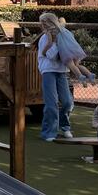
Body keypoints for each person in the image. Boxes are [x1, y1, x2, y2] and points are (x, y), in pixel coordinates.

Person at [37, 12, 74, 141]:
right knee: (51, 103)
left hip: (61, 71)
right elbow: (51, 56)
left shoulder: (62, 34)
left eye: (43, 23)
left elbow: (70, 51)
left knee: (67, 102)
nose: (41, 25)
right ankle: (49, 132)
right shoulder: (44, 39)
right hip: (48, 71)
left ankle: (65, 127)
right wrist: (54, 43)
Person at [39, 12, 95, 85]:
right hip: (73, 48)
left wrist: (43, 52)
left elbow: (49, 44)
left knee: (71, 65)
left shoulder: (50, 32)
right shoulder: (61, 26)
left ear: (45, 24)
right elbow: (63, 20)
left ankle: (80, 77)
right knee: (77, 65)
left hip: (65, 51)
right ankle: (90, 74)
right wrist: (60, 19)